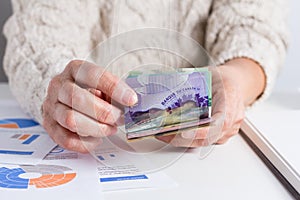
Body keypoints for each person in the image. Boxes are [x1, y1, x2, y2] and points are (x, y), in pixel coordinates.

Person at [3, 0, 288, 153]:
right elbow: (38, 33)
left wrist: (237, 78)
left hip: (208, 157)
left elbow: (255, 26)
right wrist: (58, 83)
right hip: (103, 146)